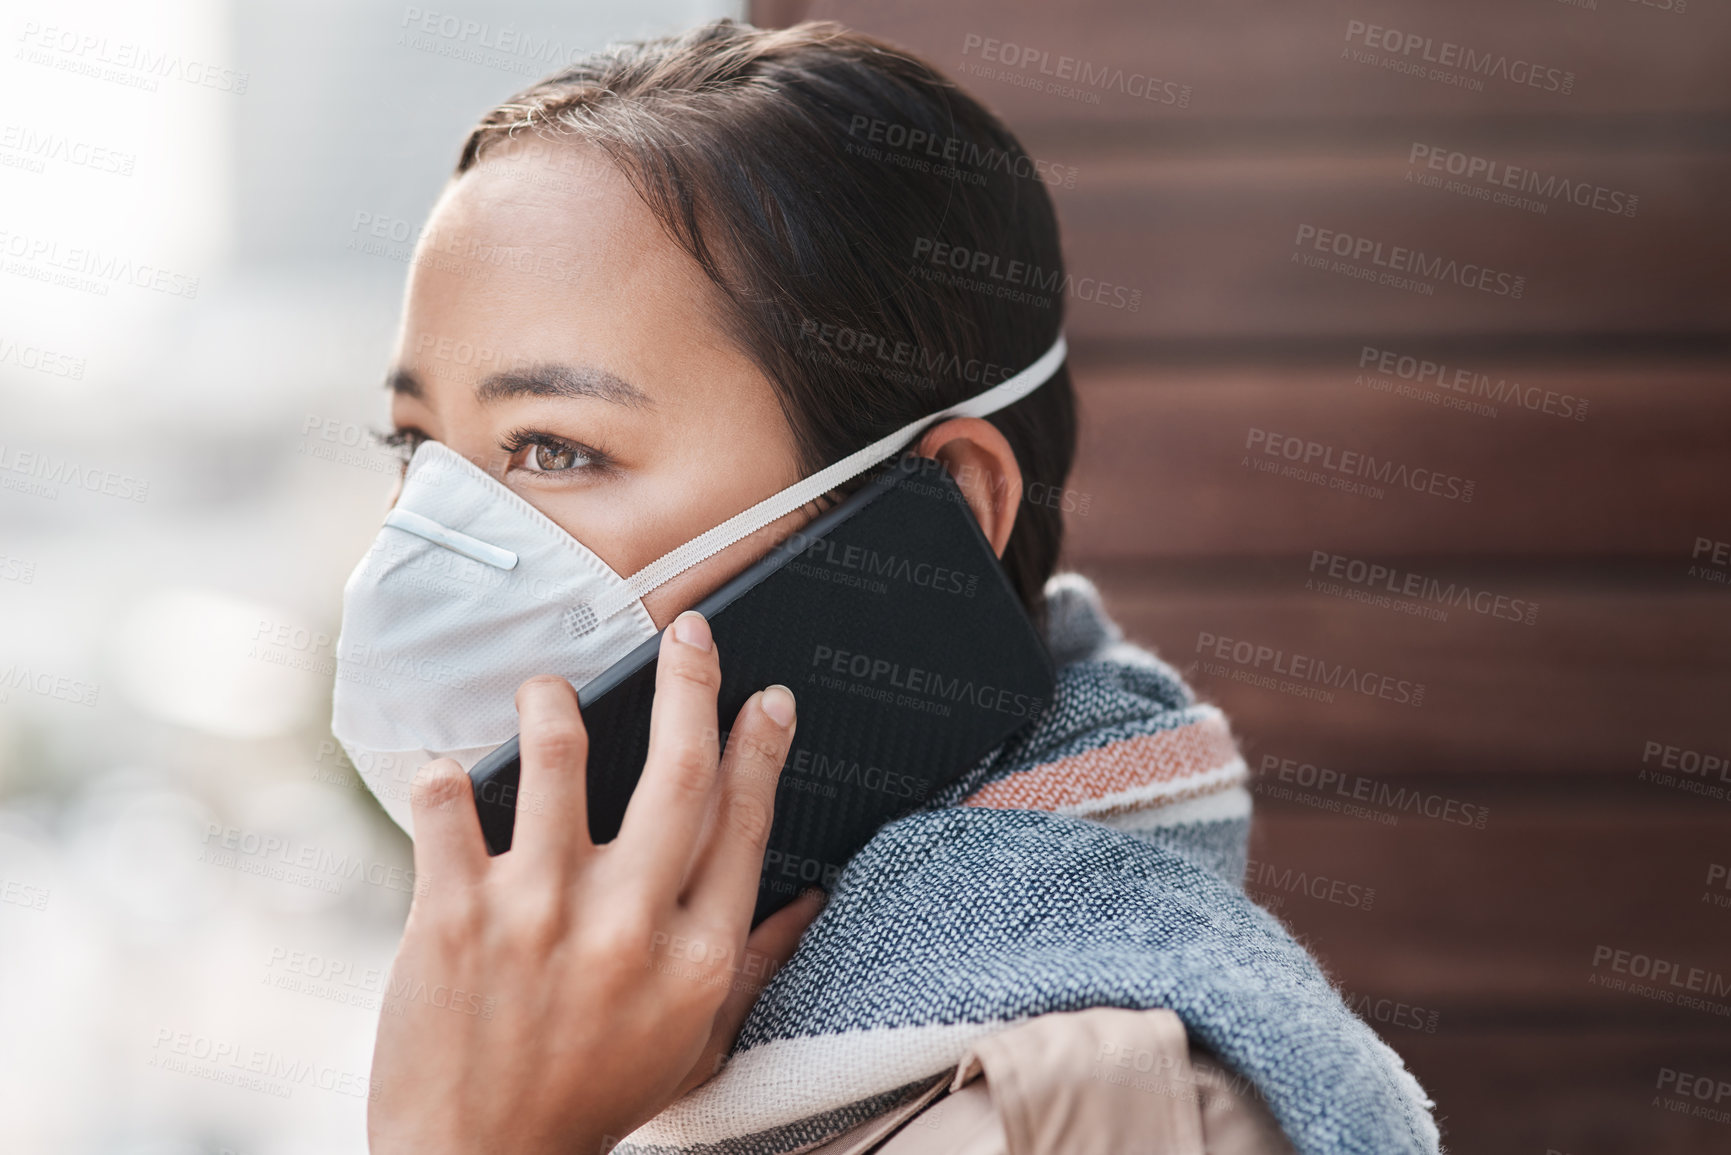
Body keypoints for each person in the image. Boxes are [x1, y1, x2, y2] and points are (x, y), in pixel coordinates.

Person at [343, 19, 1441, 1155]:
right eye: (415, 447)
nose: (432, 542)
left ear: (944, 517)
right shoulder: (621, 1075)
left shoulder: (1102, 1121)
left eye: (554, 447)